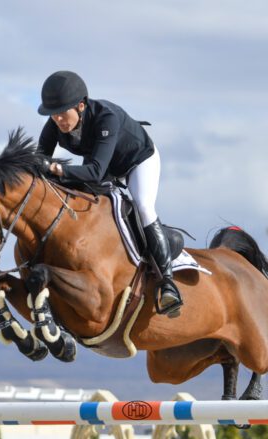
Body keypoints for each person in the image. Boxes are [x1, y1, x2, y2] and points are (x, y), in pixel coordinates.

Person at [36, 70, 182, 317]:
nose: (58, 119)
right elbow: (39, 161)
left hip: (137, 161)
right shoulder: (54, 124)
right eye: (53, 113)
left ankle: (167, 283)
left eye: (62, 112)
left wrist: (57, 169)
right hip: (104, 165)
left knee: (143, 206)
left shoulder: (106, 118)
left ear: (81, 105)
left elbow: (94, 172)